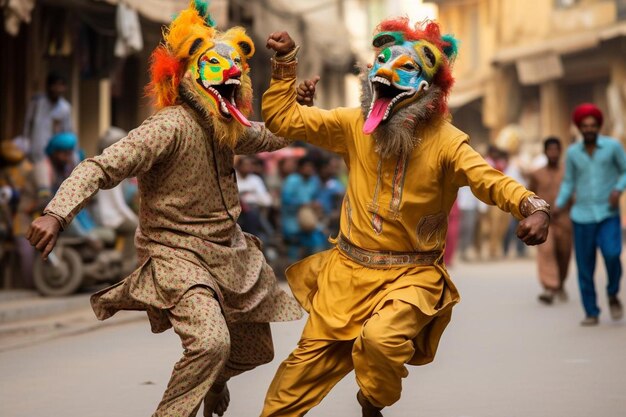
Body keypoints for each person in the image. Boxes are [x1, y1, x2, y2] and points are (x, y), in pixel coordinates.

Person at [26, 3, 316, 416]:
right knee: (212, 342)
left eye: (236, 67)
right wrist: (56, 213)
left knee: (255, 351)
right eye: (218, 65)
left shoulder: (229, 126)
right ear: (187, 76)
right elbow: (100, 166)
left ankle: (212, 379)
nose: (231, 74)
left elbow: (276, 136)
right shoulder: (167, 127)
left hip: (229, 253)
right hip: (175, 253)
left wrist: (288, 76)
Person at [260, 19, 550, 416]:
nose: (386, 72)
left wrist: (533, 206)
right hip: (346, 276)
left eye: (406, 69)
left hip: (410, 277)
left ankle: (372, 399)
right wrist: (285, 63)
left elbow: (490, 181)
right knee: (288, 390)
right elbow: (284, 121)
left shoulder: (448, 143)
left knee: (380, 341)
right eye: (381, 63)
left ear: (428, 92)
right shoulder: (353, 125)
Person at [555, 103, 626, 326]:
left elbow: (625, 170)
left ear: (598, 126)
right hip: (581, 215)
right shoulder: (573, 153)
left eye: (592, 125)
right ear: (579, 128)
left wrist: (618, 189)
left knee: (613, 254)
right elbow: (568, 183)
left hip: (608, 213)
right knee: (585, 266)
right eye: (584, 126)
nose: (588, 129)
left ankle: (613, 293)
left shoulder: (613, 147)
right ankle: (591, 311)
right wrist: (556, 206)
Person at [528, 137, 572, 305]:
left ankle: (560, 283)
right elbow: (528, 193)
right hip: (543, 220)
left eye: (556, 150)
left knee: (564, 253)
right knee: (546, 251)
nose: (553, 153)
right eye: (550, 150)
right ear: (545, 152)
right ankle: (549, 287)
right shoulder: (536, 174)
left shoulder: (568, 171)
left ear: (560, 151)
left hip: (565, 219)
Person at [22, 70, 73, 188]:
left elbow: (67, 131)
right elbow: (27, 124)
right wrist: (25, 145)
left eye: (61, 85)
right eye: (55, 85)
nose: (57, 88)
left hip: (54, 155)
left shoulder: (65, 108)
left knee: (51, 183)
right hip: (35, 149)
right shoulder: (37, 102)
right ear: (48, 86)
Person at [281, 156, 325, 261]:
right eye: (306, 167)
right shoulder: (292, 180)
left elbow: (316, 197)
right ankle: (292, 268)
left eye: (311, 167)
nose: (309, 170)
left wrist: (316, 204)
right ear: (300, 168)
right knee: (295, 243)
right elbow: (286, 199)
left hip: (308, 219)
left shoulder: (314, 181)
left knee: (318, 240)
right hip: (293, 218)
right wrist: (302, 204)